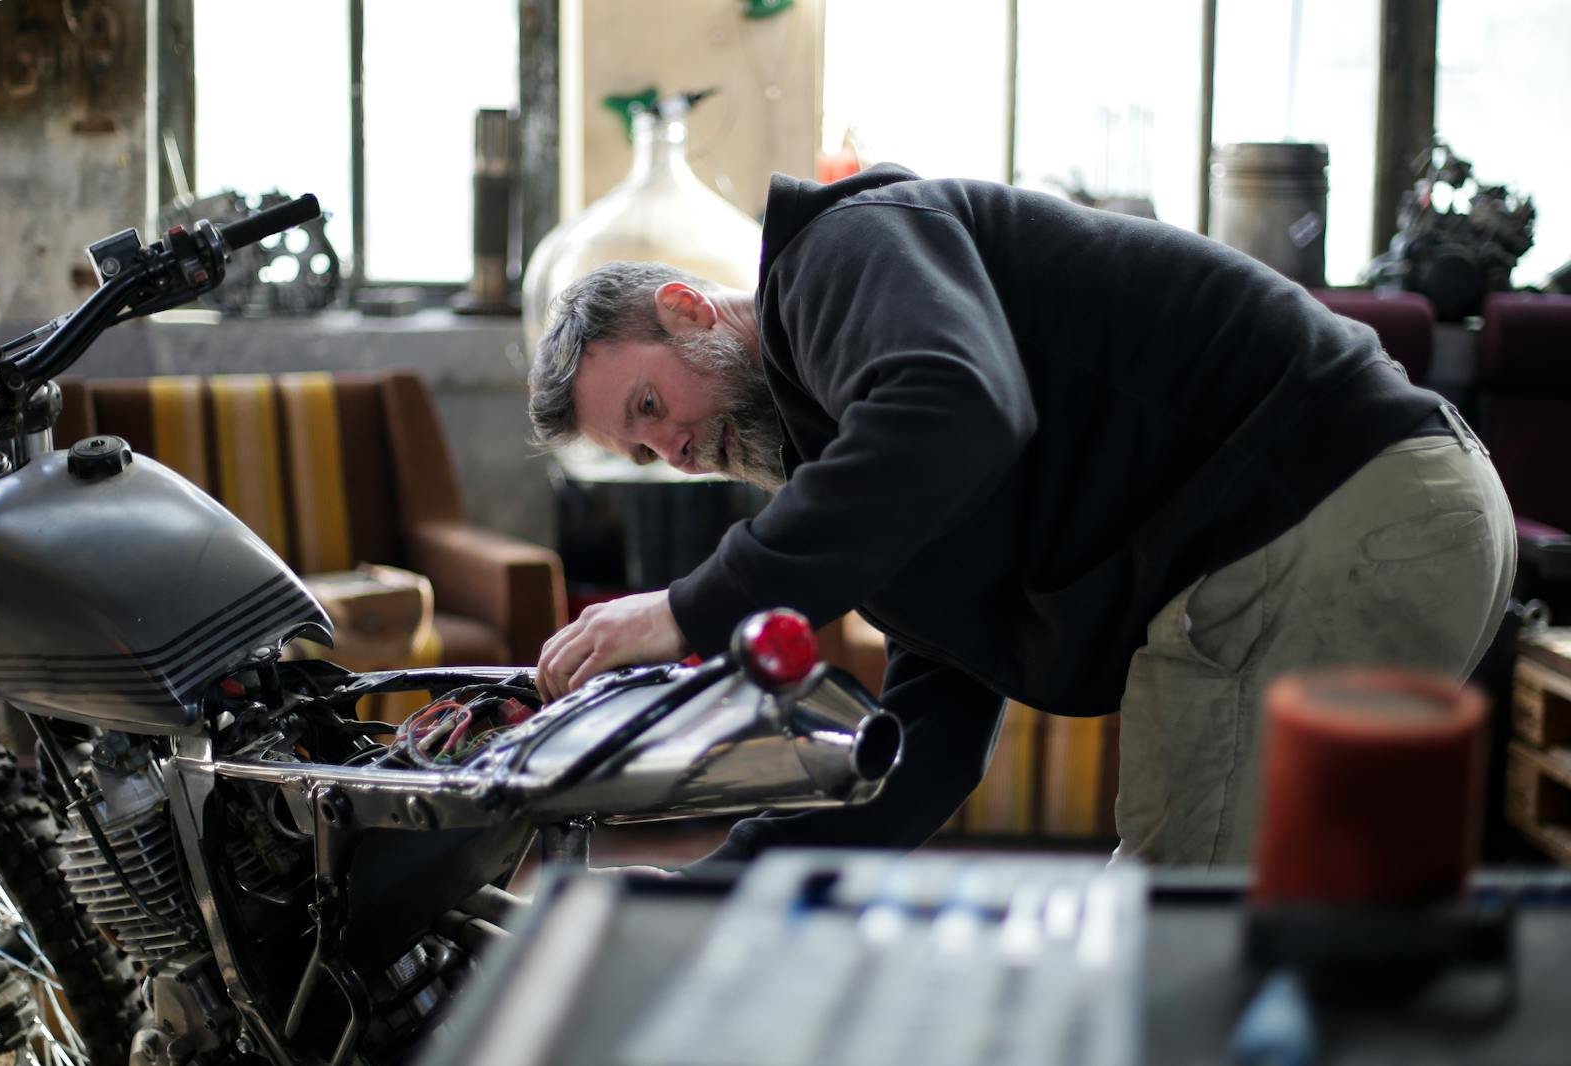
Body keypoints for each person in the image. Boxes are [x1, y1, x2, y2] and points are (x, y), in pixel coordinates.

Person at [527, 163, 1516, 868]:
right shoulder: (864, 465)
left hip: (1329, 510)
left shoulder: (838, 251)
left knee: (1169, 948)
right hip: (1394, 521)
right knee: (1257, 933)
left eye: (649, 408)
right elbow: (928, 745)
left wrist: (686, 608)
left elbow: (956, 406)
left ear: (690, 310)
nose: (676, 452)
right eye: (641, 450)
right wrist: (703, 891)